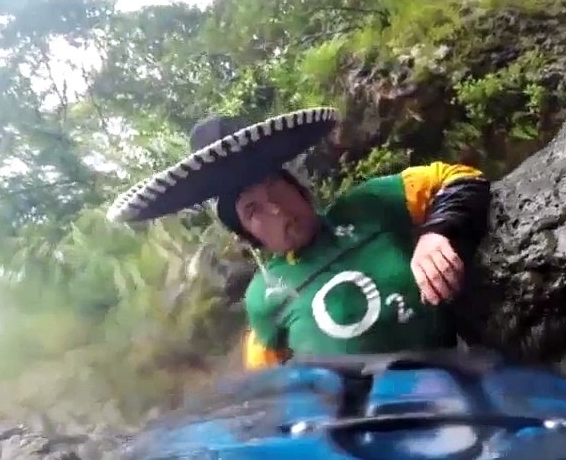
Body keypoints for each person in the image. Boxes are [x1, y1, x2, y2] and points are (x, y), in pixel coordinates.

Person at [107, 106, 492, 369]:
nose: (276, 209)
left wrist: (436, 233)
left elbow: (458, 176)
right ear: (248, 238)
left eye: (276, 186)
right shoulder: (263, 297)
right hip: (359, 423)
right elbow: (268, 389)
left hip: (450, 376)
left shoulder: (369, 204)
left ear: (301, 188)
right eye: (253, 209)